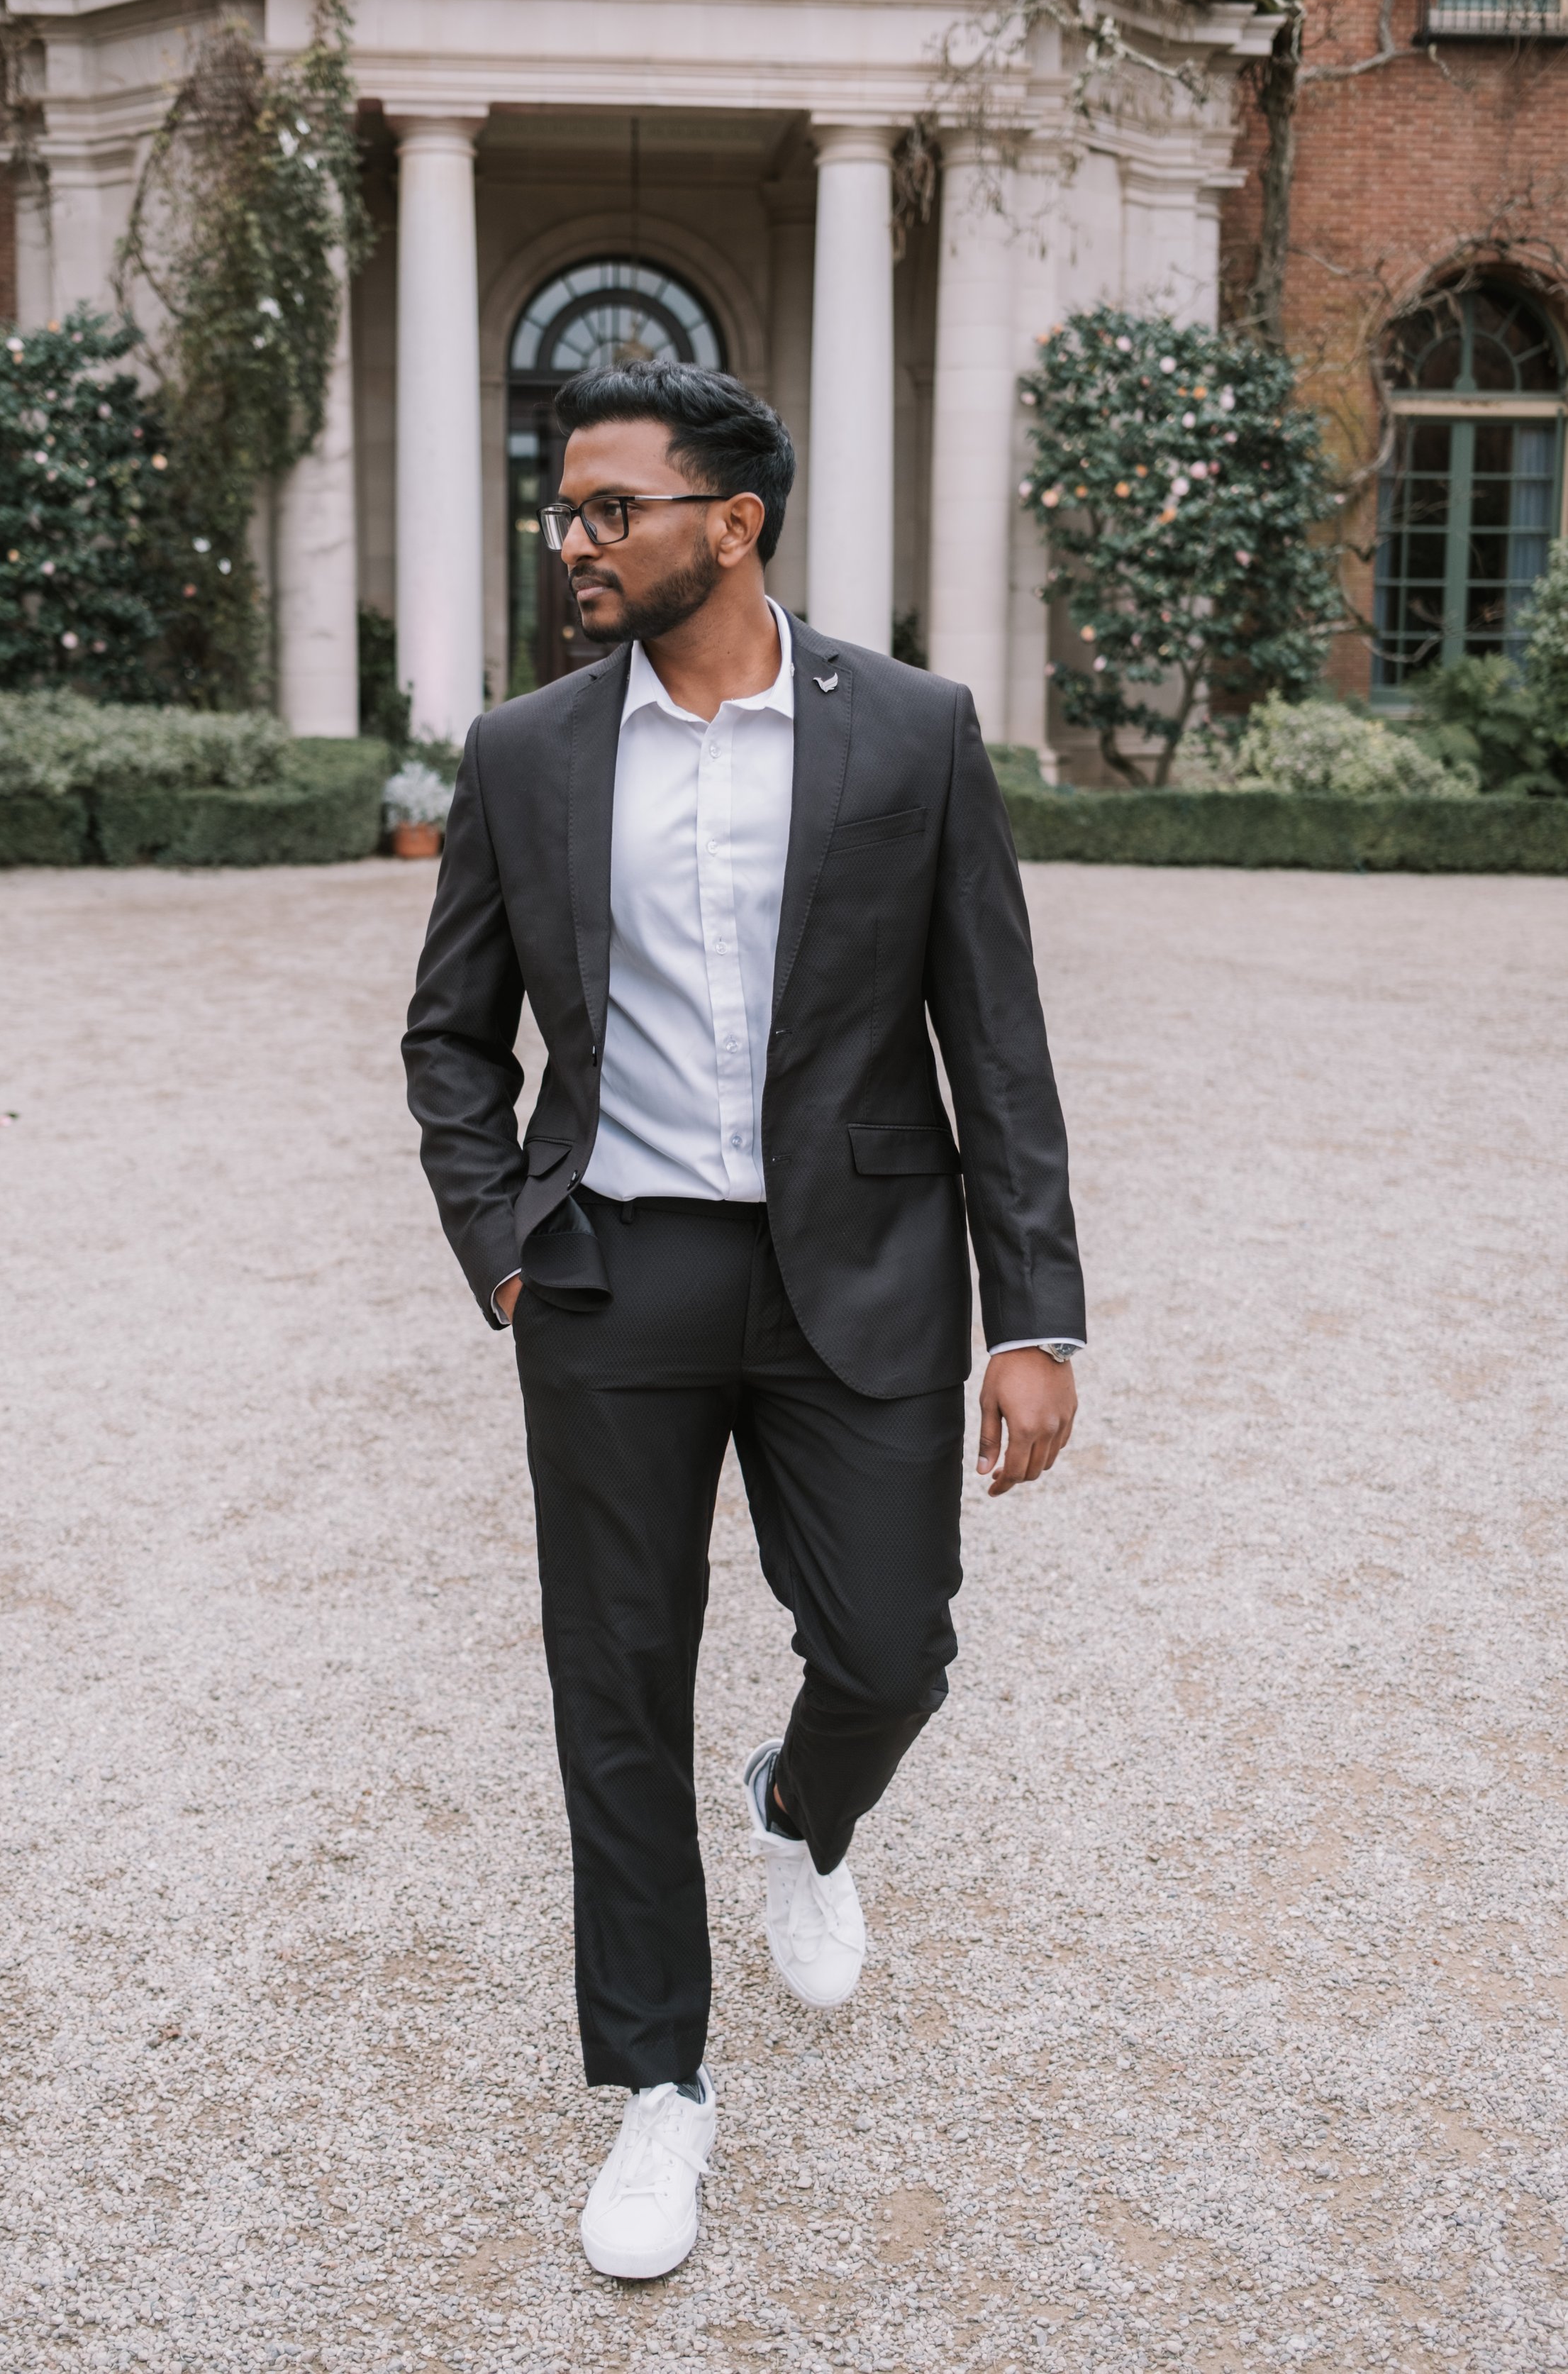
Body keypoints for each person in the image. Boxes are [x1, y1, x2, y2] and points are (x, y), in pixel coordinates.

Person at [402, 362, 1084, 2280]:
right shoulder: (526, 751)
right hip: (609, 1272)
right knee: (614, 1684)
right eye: (566, 507)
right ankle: (659, 2085)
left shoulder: (913, 731)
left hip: (860, 1264)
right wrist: (503, 1244)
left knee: (890, 1643)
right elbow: (451, 1038)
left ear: (734, 523)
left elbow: (995, 1038)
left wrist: (1034, 1317)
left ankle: (802, 1804)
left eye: (611, 508)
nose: (575, 538)